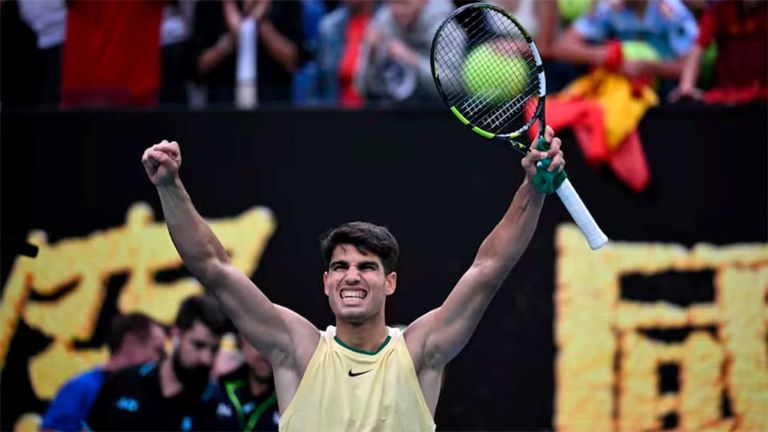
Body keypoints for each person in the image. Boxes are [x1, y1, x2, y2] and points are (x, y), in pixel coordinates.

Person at [140, 125, 565, 430]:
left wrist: (533, 188)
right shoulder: (297, 349)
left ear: (390, 282)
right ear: (326, 283)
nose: (352, 277)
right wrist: (169, 187)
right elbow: (215, 268)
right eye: (340, 267)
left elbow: (488, 269)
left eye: (367, 267)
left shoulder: (420, 352)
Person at [84, 295, 229, 431]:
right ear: (176, 335)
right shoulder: (123, 382)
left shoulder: (216, 407)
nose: (206, 358)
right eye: (198, 345)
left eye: (214, 349)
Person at [40, 313, 166, 432]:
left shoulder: (141, 395)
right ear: (130, 342)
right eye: (157, 350)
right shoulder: (81, 387)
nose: (158, 359)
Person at [217, 336, 280, 431]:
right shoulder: (219, 387)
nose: (265, 356)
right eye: (261, 345)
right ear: (244, 341)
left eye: (274, 347)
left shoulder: (289, 402)